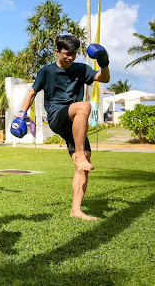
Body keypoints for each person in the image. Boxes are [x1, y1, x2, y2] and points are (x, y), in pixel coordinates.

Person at [10, 35, 110, 221]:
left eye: (73, 54)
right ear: (57, 52)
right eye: (66, 54)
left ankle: (76, 210)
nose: (70, 58)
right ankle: (79, 155)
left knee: (84, 166)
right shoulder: (46, 71)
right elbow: (32, 93)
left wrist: (104, 62)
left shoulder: (81, 69)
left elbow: (103, 78)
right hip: (58, 116)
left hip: (76, 124)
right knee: (84, 106)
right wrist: (20, 116)